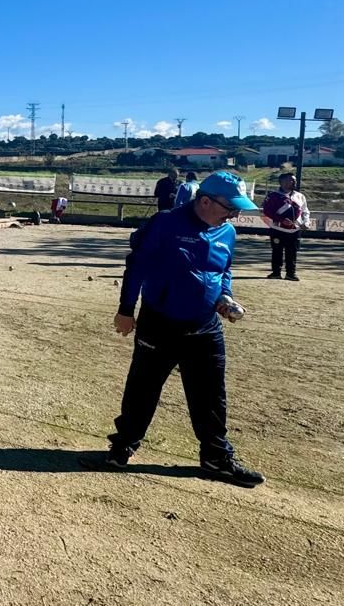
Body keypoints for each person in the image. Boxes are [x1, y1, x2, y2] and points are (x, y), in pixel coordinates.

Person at [86, 171, 264, 487]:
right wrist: (126, 310)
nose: (234, 214)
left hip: (205, 326)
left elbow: (224, 270)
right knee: (142, 388)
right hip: (160, 322)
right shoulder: (166, 223)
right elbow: (137, 265)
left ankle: (216, 458)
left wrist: (226, 296)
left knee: (211, 396)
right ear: (205, 201)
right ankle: (122, 447)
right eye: (230, 207)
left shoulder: (227, 233)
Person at [263, 172, 307, 280]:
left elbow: (305, 211)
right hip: (277, 229)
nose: (291, 182)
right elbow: (267, 211)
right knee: (277, 251)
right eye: (288, 180)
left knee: (292, 251)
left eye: (293, 180)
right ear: (281, 182)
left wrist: (306, 222)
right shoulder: (273, 196)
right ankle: (276, 272)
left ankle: (291, 273)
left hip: (294, 230)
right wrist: (281, 220)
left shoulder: (300, 196)